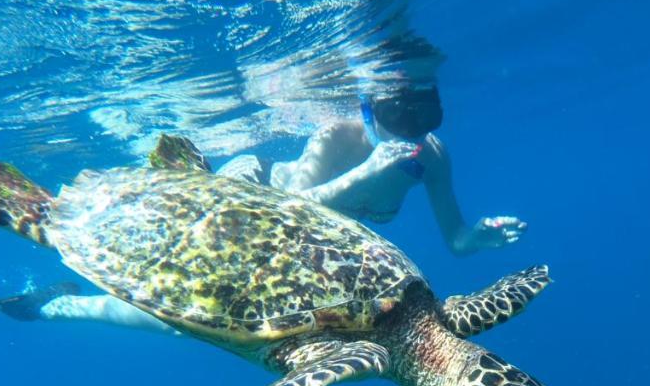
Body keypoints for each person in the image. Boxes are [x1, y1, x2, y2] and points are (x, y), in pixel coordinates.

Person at [222, 83, 526, 256]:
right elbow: (286, 209)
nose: (411, 129)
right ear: (368, 111)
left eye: (427, 115)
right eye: (395, 114)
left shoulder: (433, 157)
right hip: (251, 183)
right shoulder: (335, 135)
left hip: (283, 236)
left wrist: (476, 237)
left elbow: (456, 240)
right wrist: (367, 171)